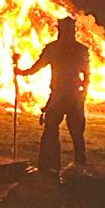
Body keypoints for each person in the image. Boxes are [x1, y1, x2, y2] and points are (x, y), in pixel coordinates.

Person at [16, 15, 90, 173]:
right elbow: (37, 67)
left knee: (72, 132)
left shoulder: (65, 49)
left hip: (66, 95)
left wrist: (22, 72)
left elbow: (87, 76)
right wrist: (22, 72)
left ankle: (72, 164)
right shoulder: (69, 49)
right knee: (54, 129)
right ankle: (52, 164)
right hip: (65, 95)